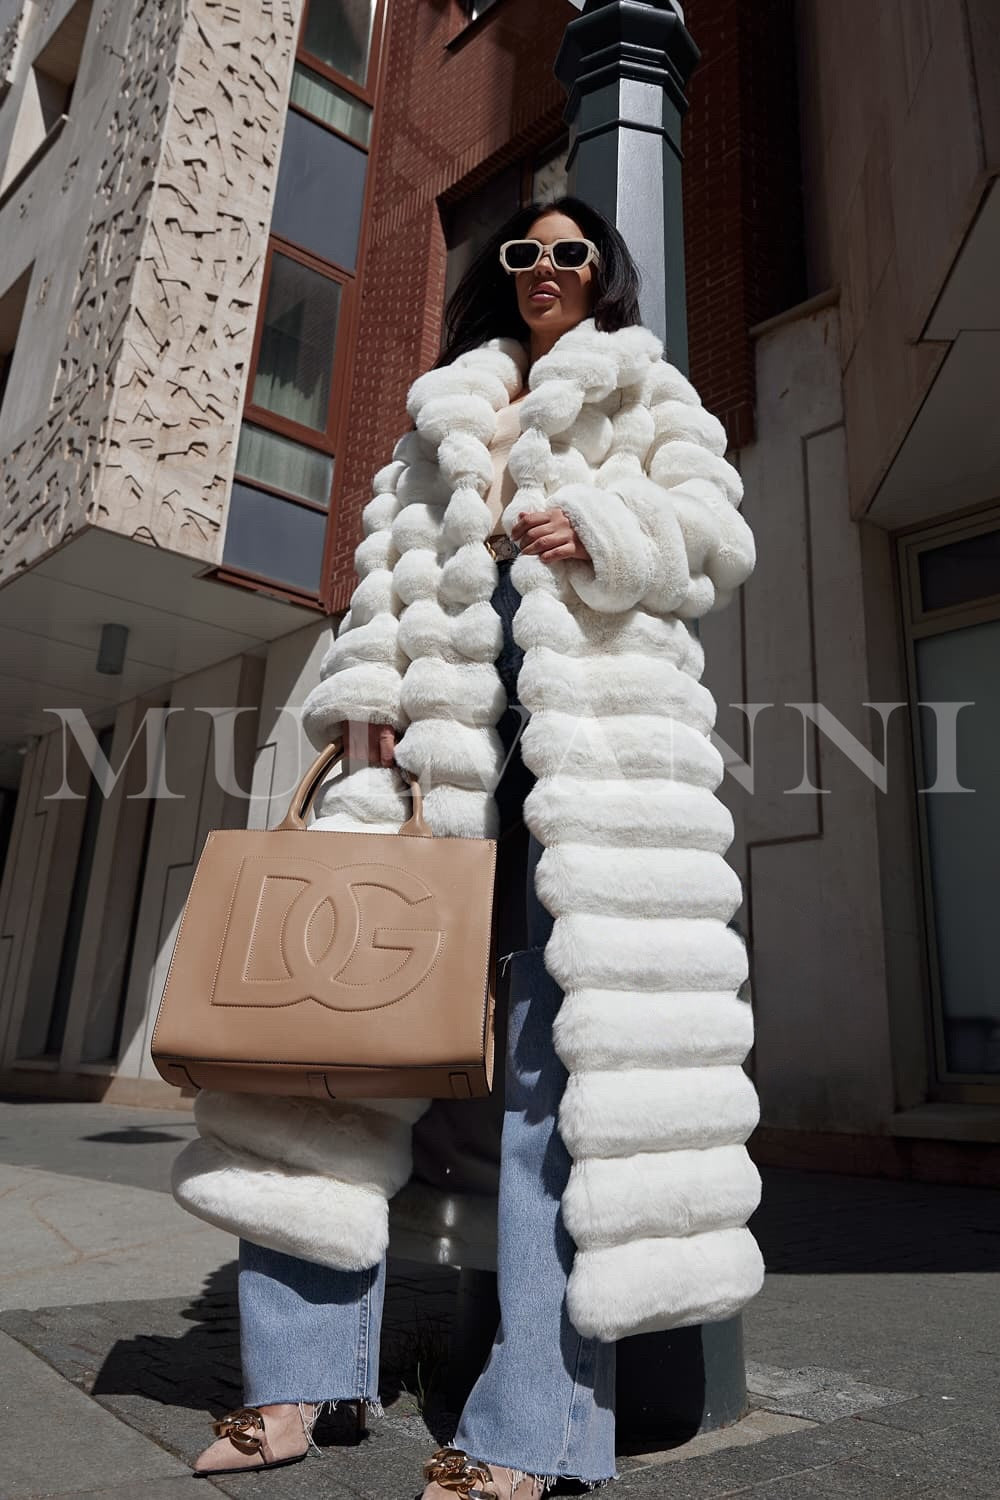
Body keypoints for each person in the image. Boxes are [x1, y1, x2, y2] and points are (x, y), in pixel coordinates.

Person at [177, 194, 762, 1497]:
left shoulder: (648, 394)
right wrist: (363, 700)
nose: (548, 269)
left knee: (571, 1102)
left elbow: (719, 544)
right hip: (425, 781)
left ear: (599, 274)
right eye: (526, 252)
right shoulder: (440, 416)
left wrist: (604, 535)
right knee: (319, 1073)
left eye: (572, 253)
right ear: (500, 275)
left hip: (594, 788)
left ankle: (531, 1431)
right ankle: (288, 1384)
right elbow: (380, 587)